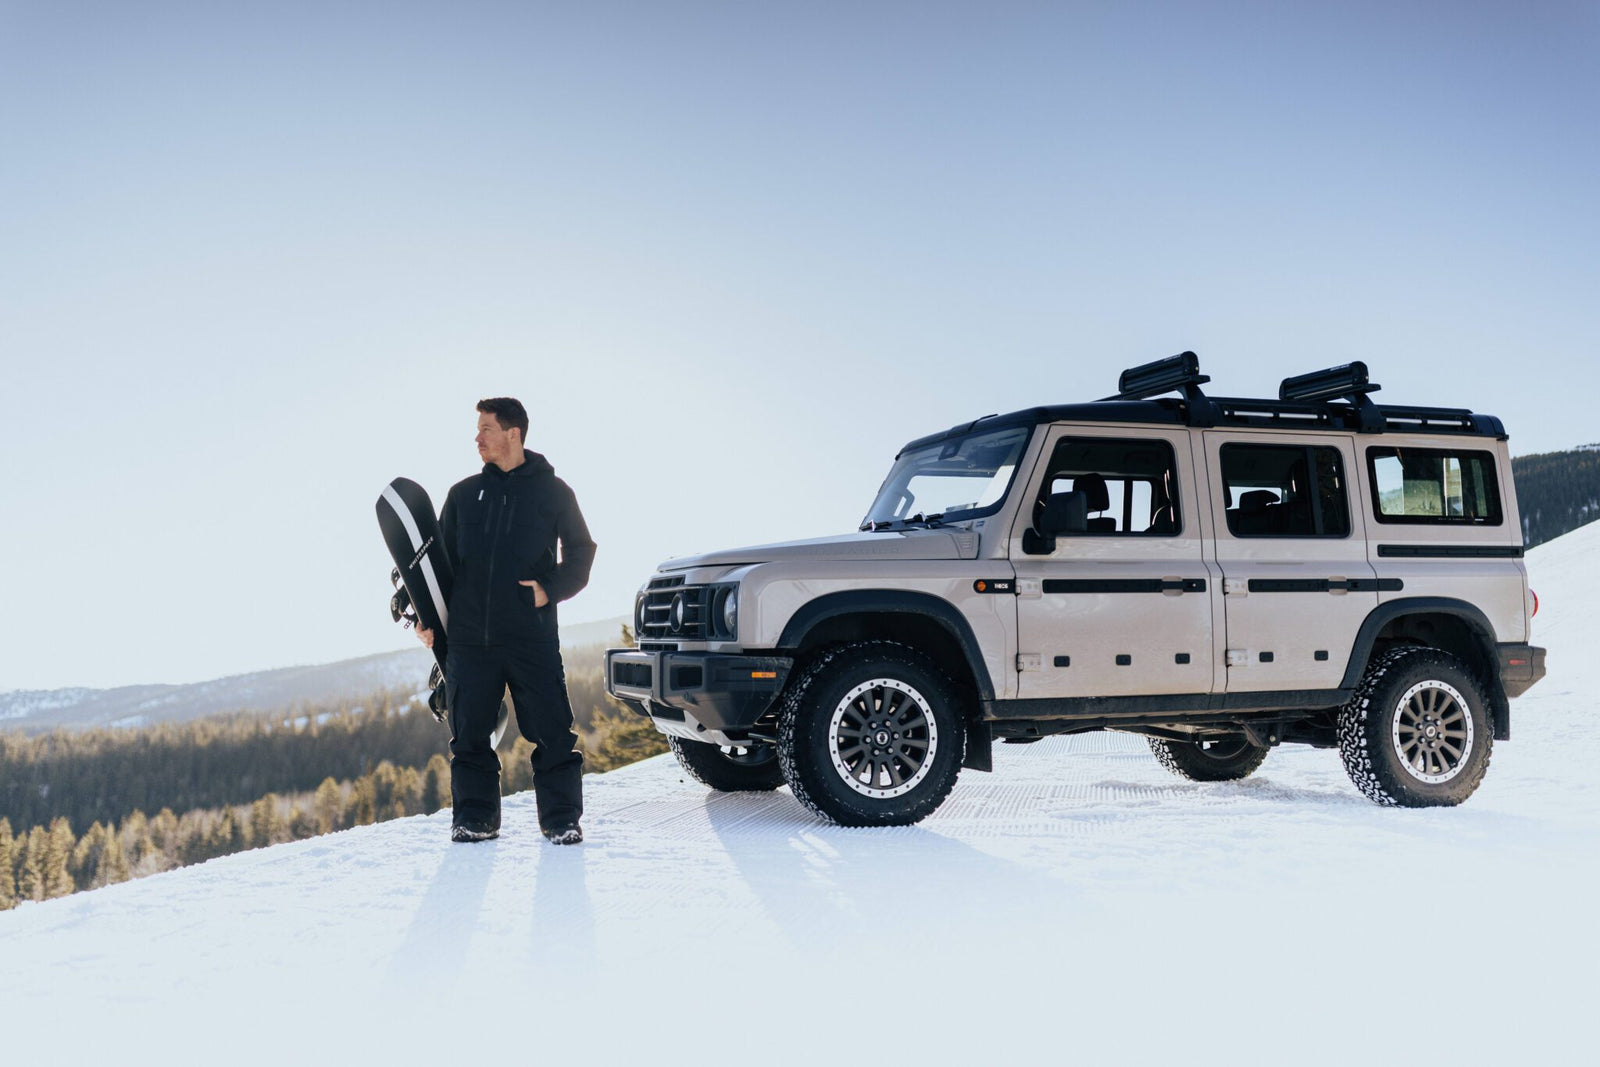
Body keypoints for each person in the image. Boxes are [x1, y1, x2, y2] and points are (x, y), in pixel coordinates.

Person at [415, 398, 596, 845]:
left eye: (486, 429)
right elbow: (439, 566)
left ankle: (561, 820)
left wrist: (547, 589)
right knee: (469, 738)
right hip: (469, 641)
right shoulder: (463, 495)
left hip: (530, 638)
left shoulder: (554, 492)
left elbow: (581, 552)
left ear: (513, 433)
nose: (477, 438)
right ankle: (475, 819)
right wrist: (427, 618)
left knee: (552, 733)